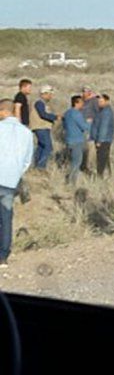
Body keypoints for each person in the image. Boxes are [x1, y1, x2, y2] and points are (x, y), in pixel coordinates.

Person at [0, 99, 34, 267]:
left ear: (2, 111)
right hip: (11, 179)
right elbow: (27, 160)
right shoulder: (26, 132)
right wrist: (16, 173)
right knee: (6, 218)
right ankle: (3, 256)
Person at [30, 85, 59, 170]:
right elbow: (43, 114)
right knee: (48, 147)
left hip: (41, 127)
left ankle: (36, 166)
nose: (51, 96)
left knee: (41, 146)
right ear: (44, 94)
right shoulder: (39, 103)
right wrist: (55, 117)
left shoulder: (41, 103)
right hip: (41, 127)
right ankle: (41, 167)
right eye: (50, 94)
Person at [63, 95, 91, 185]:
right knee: (76, 162)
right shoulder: (77, 114)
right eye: (81, 102)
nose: (83, 104)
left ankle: (70, 181)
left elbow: (64, 125)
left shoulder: (67, 113)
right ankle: (72, 183)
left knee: (72, 161)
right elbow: (84, 126)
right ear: (76, 103)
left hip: (68, 140)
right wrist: (90, 123)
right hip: (77, 140)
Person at [91, 94, 114, 177]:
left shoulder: (106, 112)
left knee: (101, 159)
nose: (99, 103)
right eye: (98, 101)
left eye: (101, 101)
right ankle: (107, 175)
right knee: (105, 158)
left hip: (104, 140)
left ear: (107, 101)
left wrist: (99, 140)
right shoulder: (101, 111)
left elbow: (103, 127)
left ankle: (100, 176)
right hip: (103, 139)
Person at [80, 87, 100, 174]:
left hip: (90, 127)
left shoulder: (94, 101)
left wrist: (93, 119)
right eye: (83, 91)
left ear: (89, 92)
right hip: (82, 127)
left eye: (85, 91)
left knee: (90, 147)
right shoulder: (83, 101)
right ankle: (84, 165)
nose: (83, 93)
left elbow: (98, 112)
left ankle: (91, 166)